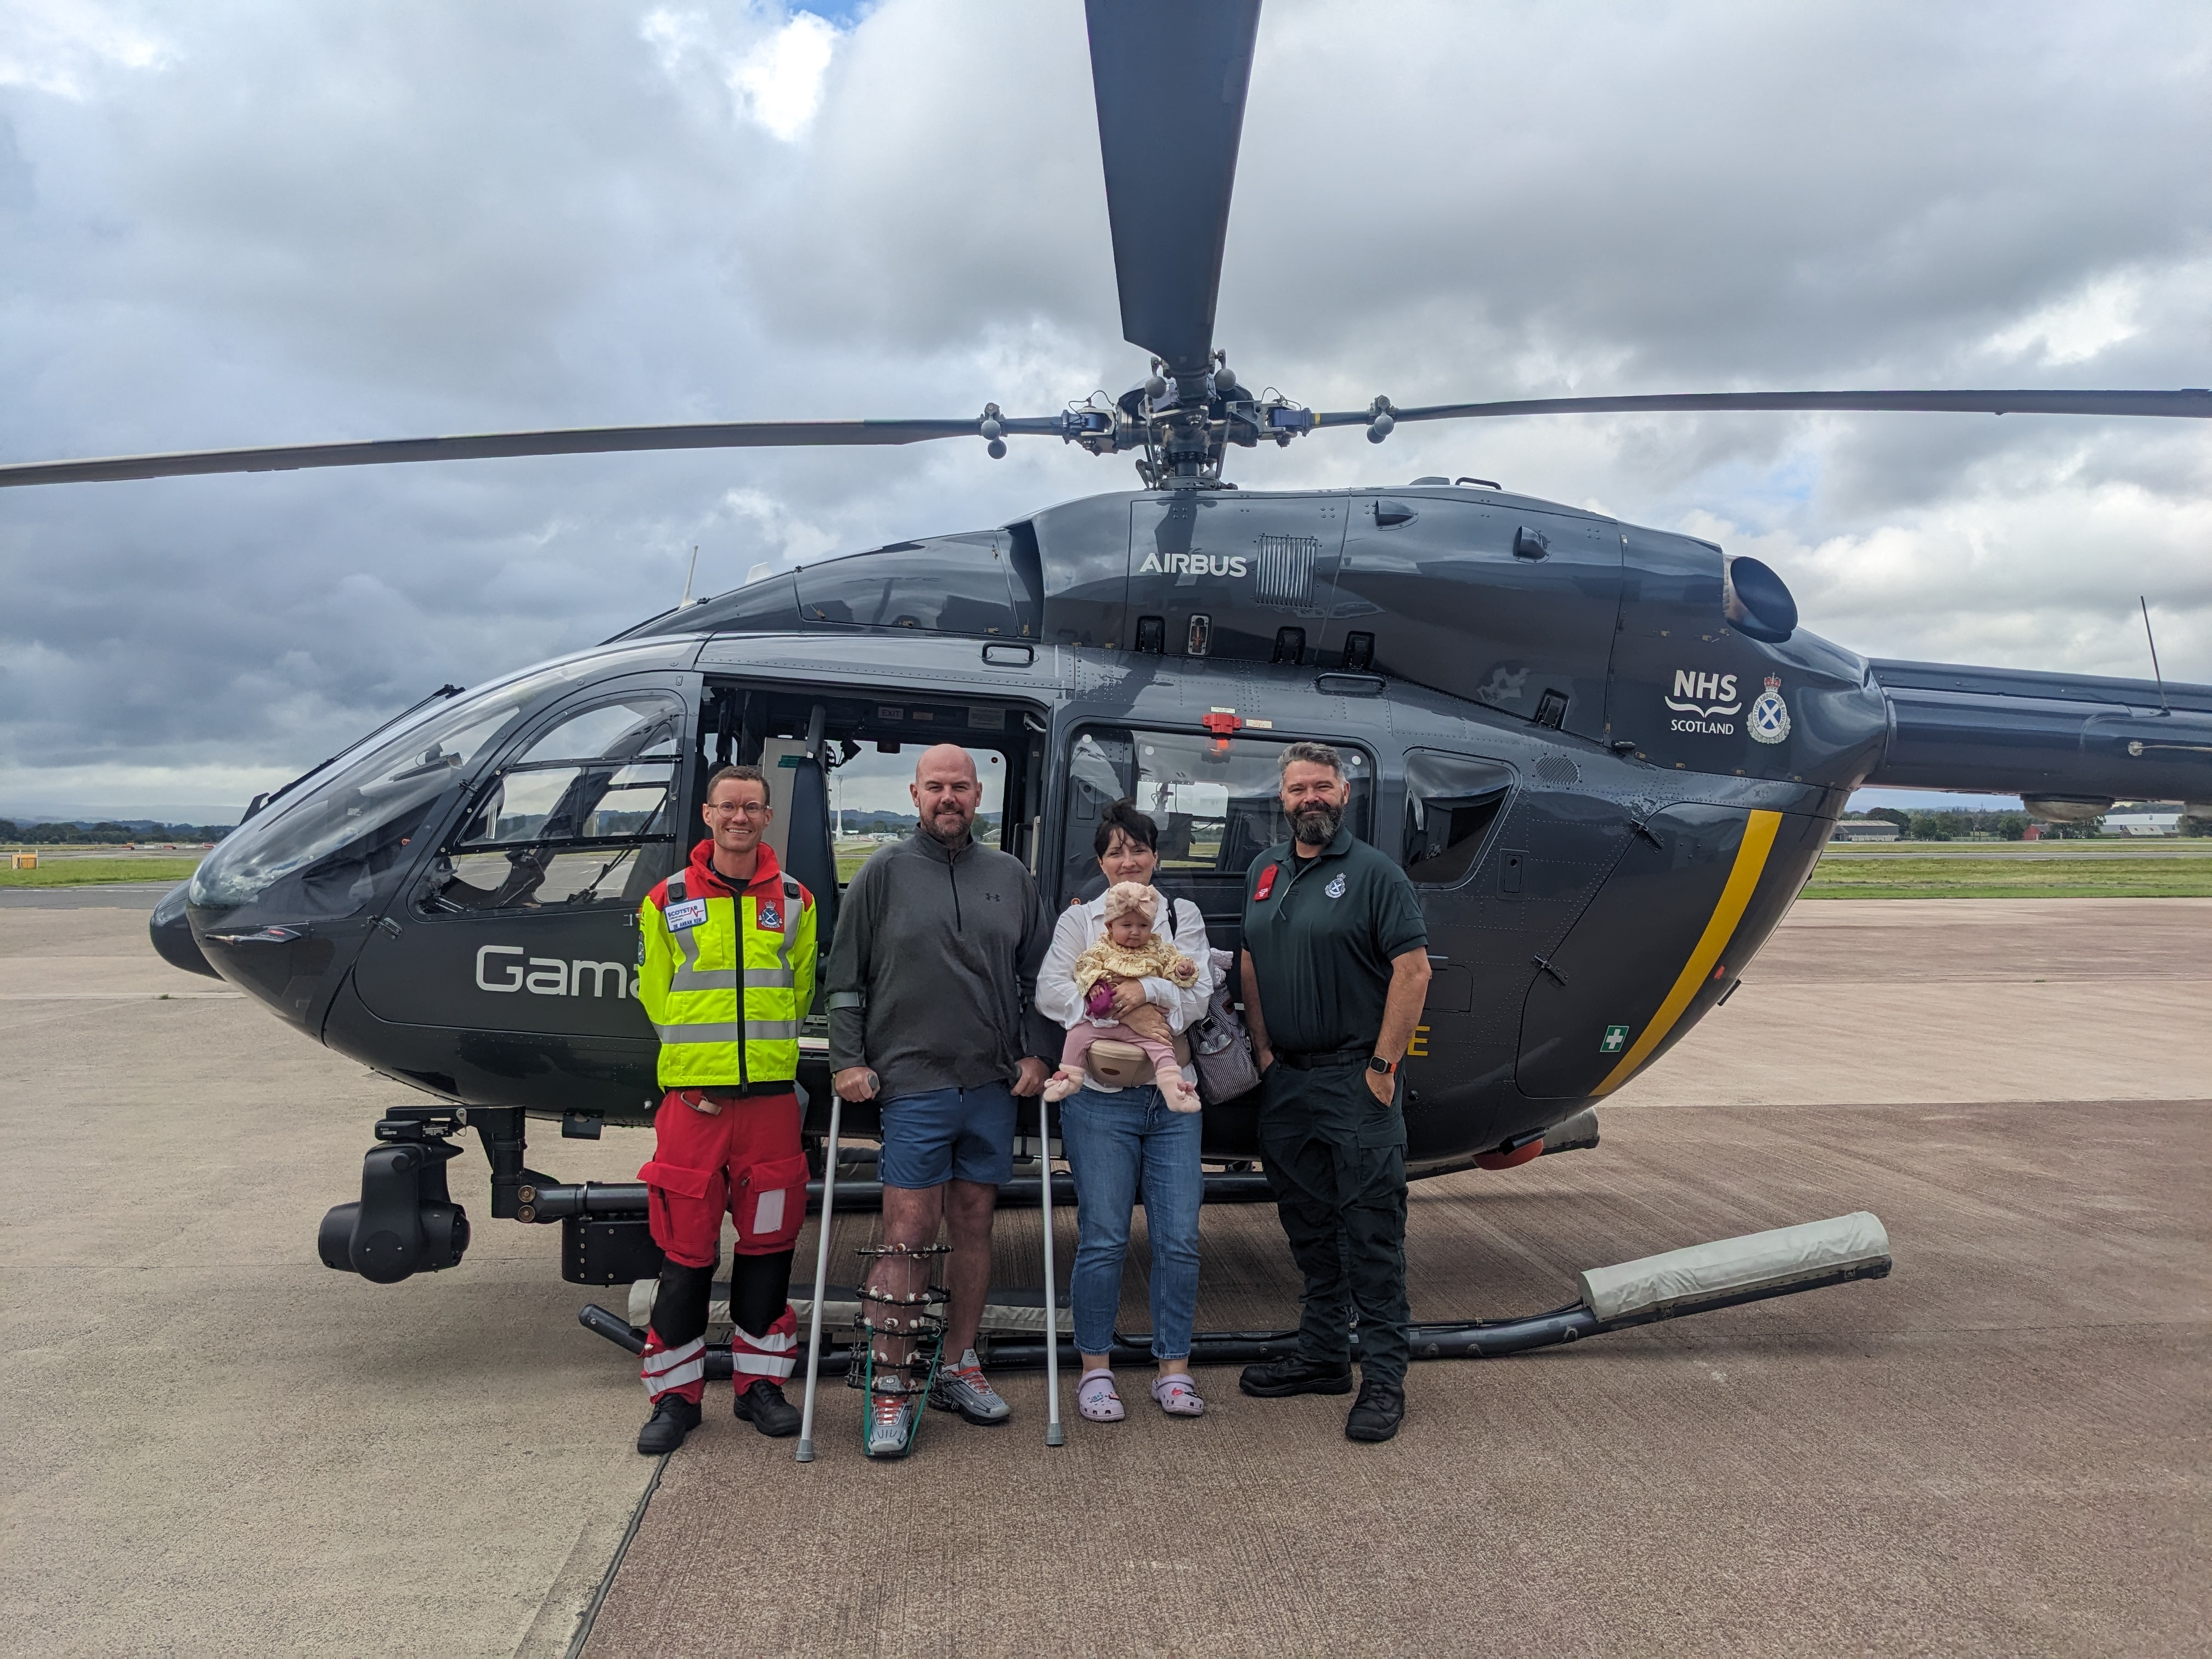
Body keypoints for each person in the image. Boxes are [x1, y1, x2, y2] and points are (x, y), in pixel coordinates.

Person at [824, 743, 1057, 1459]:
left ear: (978, 794)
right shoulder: (883, 872)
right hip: (912, 1084)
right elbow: (843, 978)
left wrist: (1038, 1051)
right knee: (908, 1233)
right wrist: (847, 1060)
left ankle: (959, 1364)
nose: (947, 797)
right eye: (935, 787)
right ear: (915, 794)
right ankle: (891, 1387)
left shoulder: (1011, 876)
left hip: (989, 1085)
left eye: (959, 786)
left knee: (975, 1226)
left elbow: (1042, 977)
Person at [1237, 742, 1431, 1443]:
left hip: (1355, 1081)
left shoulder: (1376, 875)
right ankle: (1323, 1356)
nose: (1309, 799)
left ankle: (1384, 1378)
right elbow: (1251, 962)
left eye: (1322, 787)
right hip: (1287, 1082)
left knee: (1373, 1234)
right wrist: (1262, 1051)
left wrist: (1381, 1069)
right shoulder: (1264, 872)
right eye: (1298, 790)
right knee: (1310, 1229)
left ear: (1344, 795)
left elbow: (1413, 972)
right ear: (1282, 799)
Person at [632, 764, 818, 1454]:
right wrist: (702, 1068)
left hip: (770, 1107)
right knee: (684, 1259)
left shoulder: (796, 901)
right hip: (695, 1109)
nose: (740, 817)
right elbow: (655, 995)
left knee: (768, 1253)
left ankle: (759, 1389)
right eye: (728, 806)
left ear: (768, 818)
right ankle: (675, 1400)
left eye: (753, 807)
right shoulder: (667, 898)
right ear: (708, 815)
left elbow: (798, 989)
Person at [1035, 801, 1215, 1423]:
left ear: (1155, 856)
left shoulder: (1182, 916)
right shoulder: (1079, 921)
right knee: (1104, 1237)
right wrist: (1117, 1005)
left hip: (1174, 1098)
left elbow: (1196, 995)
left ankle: (1174, 1370)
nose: (1128, 860)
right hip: (1100, 1103)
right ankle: (1095, 1370)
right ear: (1101, 862)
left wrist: (1143, 990)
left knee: (1180, 1238)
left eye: (1137, 848)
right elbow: (1053, 991)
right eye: (1115, 852)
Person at [1045, 881, 1203, 1113]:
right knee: (1077, 1035)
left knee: (1163, 1046)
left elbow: (1174, 965)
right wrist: (1093, 986)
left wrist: (1182, 970)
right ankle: (1069, 1078)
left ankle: (1175, 1089)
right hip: (1104, 1024)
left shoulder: (1159, 948)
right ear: (1110, 927)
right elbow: (1085, 967)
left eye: (1143, 925)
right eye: (1126, 925)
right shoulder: (1101, 948)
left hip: (1148, 1027)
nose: (1135, 931)